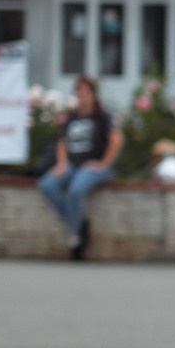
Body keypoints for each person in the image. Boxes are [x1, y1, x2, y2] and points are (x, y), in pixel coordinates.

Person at [37, 74, 122, 259]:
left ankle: (76, 237)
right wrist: (62, 163)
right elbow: (63, 142)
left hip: (94, 166)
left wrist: (103, 163)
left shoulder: (103, 116)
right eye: (79, 92)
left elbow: (116, 140)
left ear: (93, 95)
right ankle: (78, 225)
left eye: (85, 93)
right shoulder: (72, 116)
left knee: (76, 189)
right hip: (73, 165)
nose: (82, 96)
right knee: (47, 184)